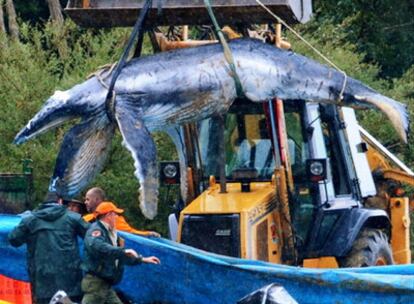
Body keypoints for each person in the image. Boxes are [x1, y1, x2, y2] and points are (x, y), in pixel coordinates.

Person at [8, 192, 90, 304]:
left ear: (43, 203)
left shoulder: (29, 220)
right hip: (70, 281)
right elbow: (93, 238)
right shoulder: (73, 218)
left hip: (42, 282)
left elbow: (14, 240)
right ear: (60, 201)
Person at [81, 202, 160, 304]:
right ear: (108, 215)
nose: (116, 217)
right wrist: (122, 250)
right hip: (96, 284)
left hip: (105, 284)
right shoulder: (96, 230)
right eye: (115, 214)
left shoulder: (111, 233)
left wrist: (143, 259)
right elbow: (99, 247)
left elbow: (120, 256)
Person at [83, 187, 160, 237]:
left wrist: (148, 234)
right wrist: (148, 234)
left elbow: (129, 233)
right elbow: (131, 233)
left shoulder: (86, 220)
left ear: (97, 199)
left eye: (87, 199)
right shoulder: (87, 219)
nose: (85, 202)